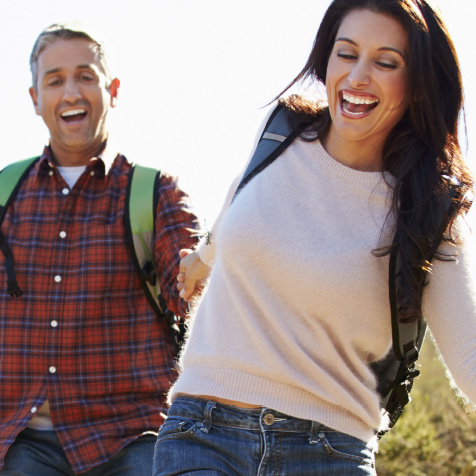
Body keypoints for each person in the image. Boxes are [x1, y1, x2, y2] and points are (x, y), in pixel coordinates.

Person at [153, 0, 476, 475]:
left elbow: (470, 355)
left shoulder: (431, 210)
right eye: (346, 53)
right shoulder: (280, 131)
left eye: (386, 63)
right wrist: (203, 257)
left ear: (419, 85)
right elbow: (239, 205)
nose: (358, 77)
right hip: (203, 435)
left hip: (329, 452)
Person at [0, 24, 200, 476]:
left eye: (85, 76)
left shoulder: (154, 191)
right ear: (35, 98)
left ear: (111, 89)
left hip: (131, 436)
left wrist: (205, 265)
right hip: (19, 439)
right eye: (55, 80)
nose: (71, 92)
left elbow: (189, 286)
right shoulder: (4, 194)